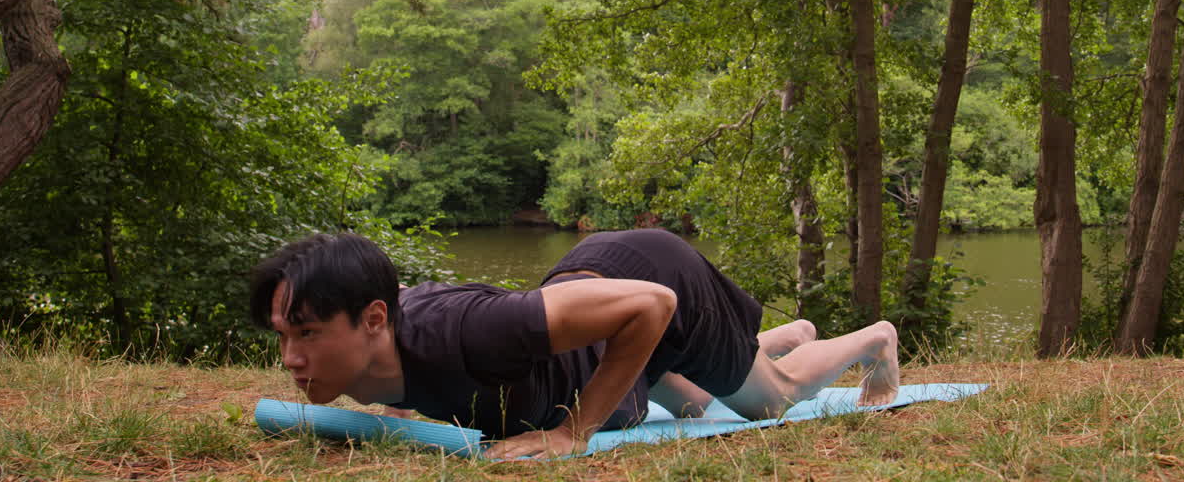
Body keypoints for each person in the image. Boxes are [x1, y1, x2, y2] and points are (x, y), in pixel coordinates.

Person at [248, 229, 899, 460]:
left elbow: (652, 304)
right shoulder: (384, 344)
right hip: (594, 323)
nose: (292, 360)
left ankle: (873, 338)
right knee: (696, 404)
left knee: (768, 401)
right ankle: (781, 337)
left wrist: (574, 433)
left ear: (371, 320)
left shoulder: (470, 335)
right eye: (284, 337)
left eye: (307, 335)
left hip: (657, 284)